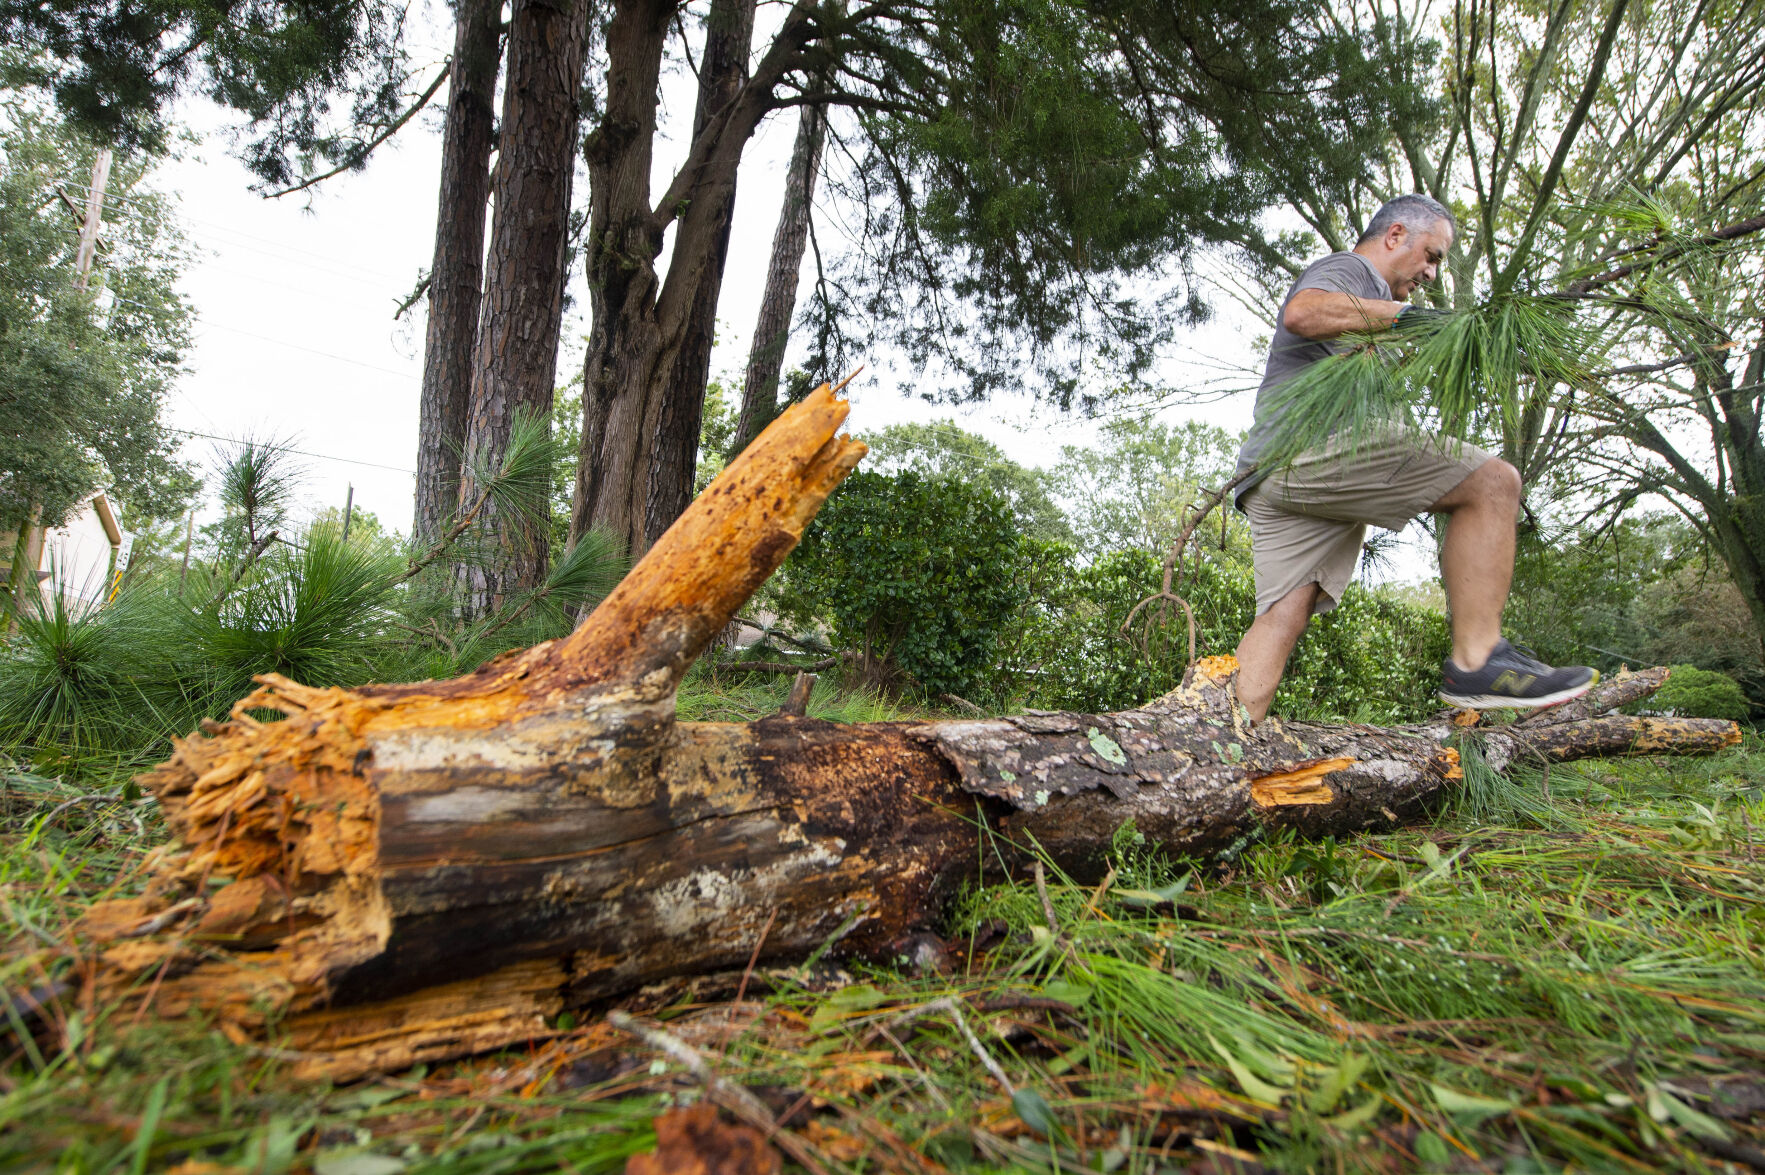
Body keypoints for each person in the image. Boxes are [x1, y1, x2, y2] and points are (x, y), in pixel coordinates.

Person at [1229, 194, 1596, 721]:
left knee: (1285, 614)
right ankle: (1476, 661)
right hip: (1308, 453)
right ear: (1396, 235)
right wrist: (1414, 321)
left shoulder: (1367, 314)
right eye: (1432, 255)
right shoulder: (1350, 270)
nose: (1430, 272)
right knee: (1493, 483)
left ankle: (1223, 743)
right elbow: (1303, 312)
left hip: (1269, 474)